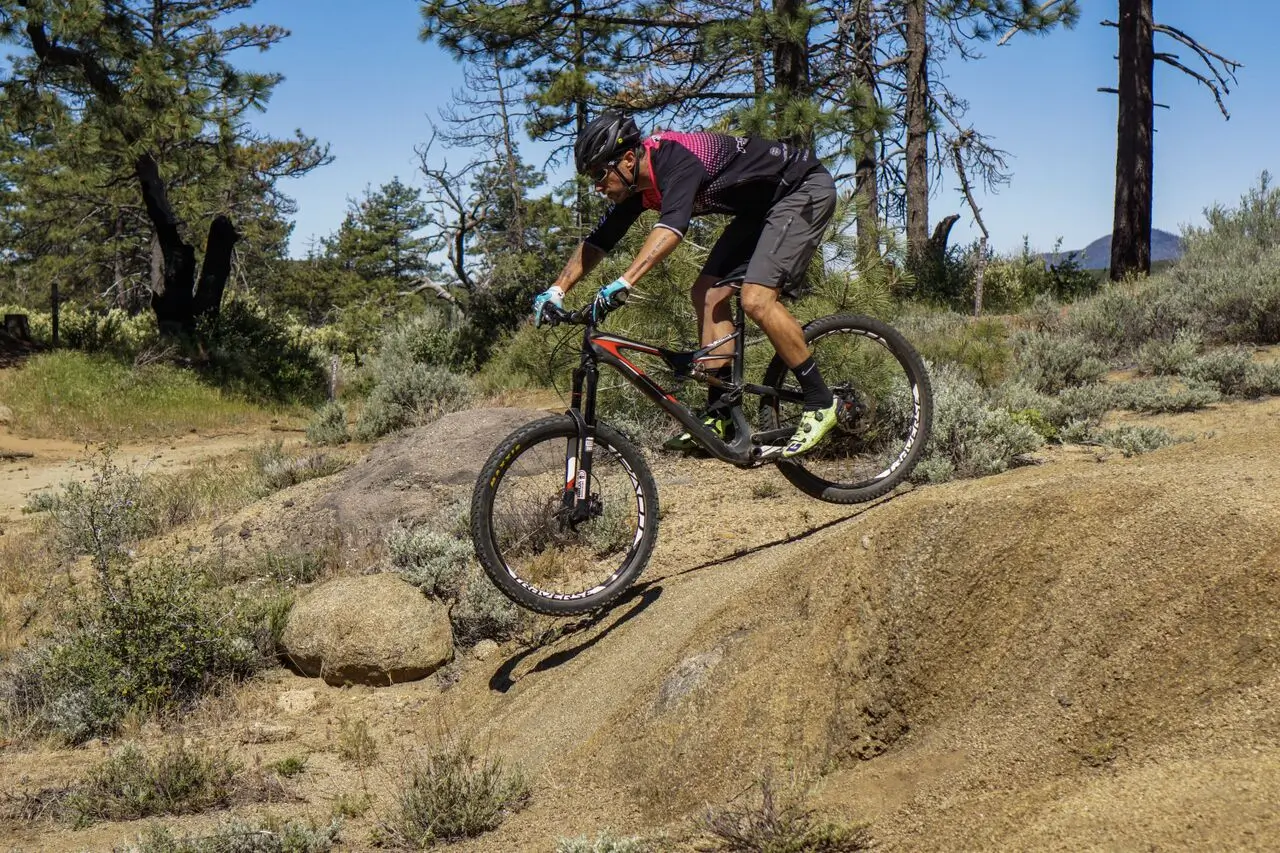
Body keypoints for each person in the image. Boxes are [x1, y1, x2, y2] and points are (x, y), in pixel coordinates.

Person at [532, 111, 838, 458]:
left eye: (600, 174)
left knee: (756, 300)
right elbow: (599, 241)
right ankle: (721, 413)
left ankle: (821, 401)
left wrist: (625, 282)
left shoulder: (676, 159)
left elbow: (671, 229)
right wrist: (557, 290)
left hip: (802, 188)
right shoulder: (637, 186)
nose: (598, 186)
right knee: (707, 292)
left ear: (628, 159)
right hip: (760, 210)